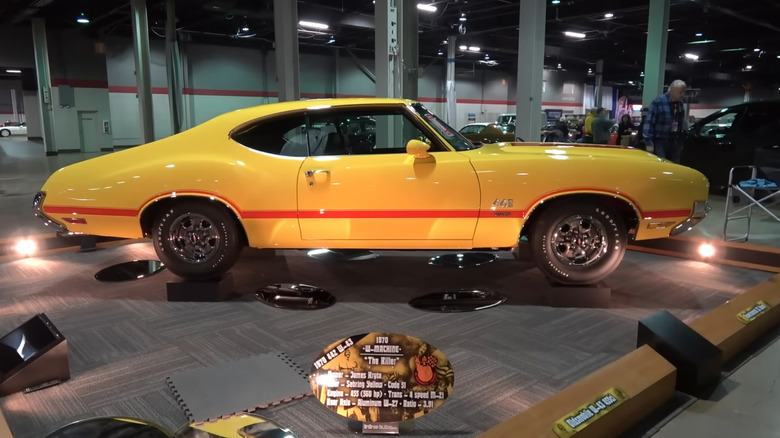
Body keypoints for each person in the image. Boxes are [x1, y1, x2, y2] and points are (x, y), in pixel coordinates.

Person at [643, 79, 687, 162]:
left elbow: (680, 122)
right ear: (672, 91)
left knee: (674, 166)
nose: (683, 95)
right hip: (660, 141)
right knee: (661, 165)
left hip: (675, 141)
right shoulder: (658, 102)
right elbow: (649, 122)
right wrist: (649, 142)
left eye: (683, 92)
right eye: (680, 92)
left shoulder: (680, 103)